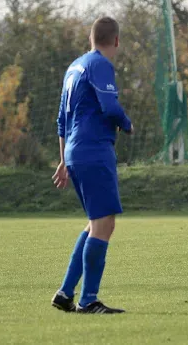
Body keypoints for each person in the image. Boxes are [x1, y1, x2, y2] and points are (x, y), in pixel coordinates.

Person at [51, 16, 133, 313]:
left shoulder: (74, 67)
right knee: (105, 224)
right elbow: (110, 107)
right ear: (116, 41)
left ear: (90, 38)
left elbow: (62, 120)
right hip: (94, 150)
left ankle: (65, 293)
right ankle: (88, 301)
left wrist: (63, 160)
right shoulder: (100, 65)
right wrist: (127, 124)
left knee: (94, 224)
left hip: (74, 150)